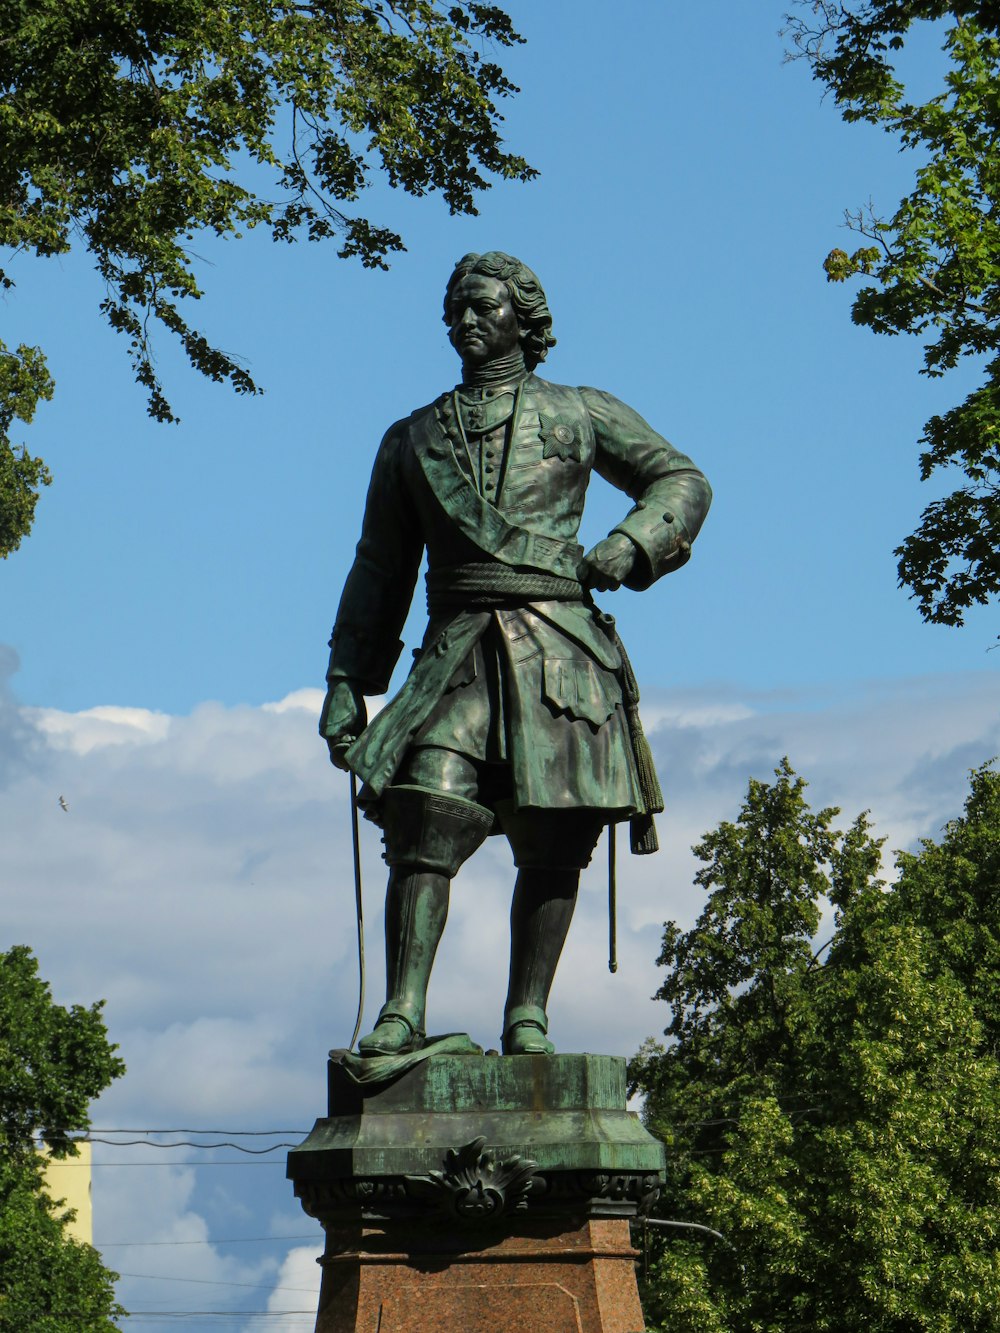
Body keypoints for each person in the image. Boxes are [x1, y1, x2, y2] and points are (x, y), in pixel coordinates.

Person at [320, 251, 711, 1057]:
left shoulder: (579, 411)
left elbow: (679, 479)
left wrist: (632, 545)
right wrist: (347, 681)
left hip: (558, 650)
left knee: (553, 834)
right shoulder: (412, 438)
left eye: (483, 308)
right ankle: (403, 1007)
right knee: (425, 804)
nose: (464, 321)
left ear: (523, 321)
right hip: (456, 649)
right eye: (455, 309)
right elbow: (380, 565)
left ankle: (526, 1012)